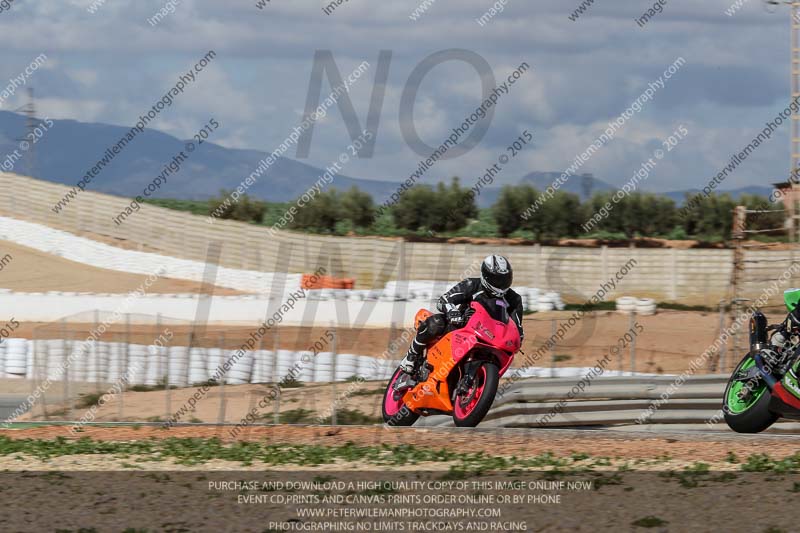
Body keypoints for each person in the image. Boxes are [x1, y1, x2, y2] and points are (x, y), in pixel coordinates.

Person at [399, 254, 524, 375]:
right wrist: (453, 312)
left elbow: (517, 326)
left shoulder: (514, 299)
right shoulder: (471, 284)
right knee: (436, 322)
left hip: (490, 337)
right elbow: (444, 300)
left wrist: (517, 338)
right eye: (497, 280)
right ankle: (411, 356)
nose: (501, 284)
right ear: (486, 276)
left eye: (505, 279)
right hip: (460, 327)